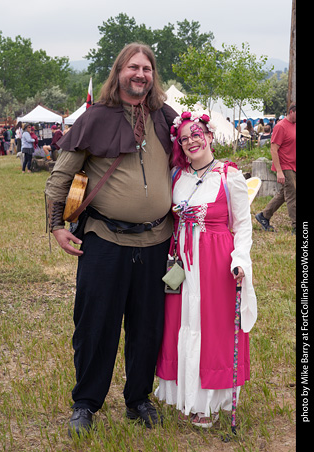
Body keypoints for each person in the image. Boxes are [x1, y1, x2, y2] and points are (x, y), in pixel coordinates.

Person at [45, 42, 178, 436]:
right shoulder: (94, 119)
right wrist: (57, 226)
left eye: (147, 68)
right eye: (133, 67)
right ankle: (85, 403)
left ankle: (138, 399)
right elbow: (59, 180)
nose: (140, 74)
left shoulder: (166, 117)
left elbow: (196, 157)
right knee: (95, 326)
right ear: (119, 71)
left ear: (153, 75)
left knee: (148, 326)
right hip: (104, 241)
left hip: (157, 243)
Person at [155, 111, 257, 428]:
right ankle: (182, 394)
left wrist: (240, 259)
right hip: (181, 265)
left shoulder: (229, 177)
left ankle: (207, 403)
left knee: (211, 327)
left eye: (196, 134)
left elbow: (242, 227)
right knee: (180, 322)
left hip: (215, 265)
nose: (191, 142)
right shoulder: (176, 177)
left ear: (210, 136)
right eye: (184, 138)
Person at [255, 103, 296, 233]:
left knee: (285, 194)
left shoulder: (294, 125)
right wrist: (279, 171)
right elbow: (274, 149)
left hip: (293, 164)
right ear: (291, 112)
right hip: (285, 165)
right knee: (292, 194)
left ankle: (264, 216)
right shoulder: (280, 127)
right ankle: (296, 226)